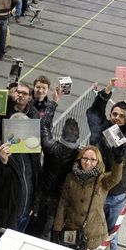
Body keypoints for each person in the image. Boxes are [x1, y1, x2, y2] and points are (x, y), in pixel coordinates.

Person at [86, 77, 126, 250]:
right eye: (114, 114)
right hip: (97, 190)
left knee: (111, 235)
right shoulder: (101, 128)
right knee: (91, 230)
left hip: (117, 195)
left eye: (121, 116)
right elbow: (94, 113)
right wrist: (107, 91)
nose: (117, 118)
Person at [53, 146, 123, 250]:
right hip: (72, 231)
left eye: (93, 159)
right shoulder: (71, 178)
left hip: (95, 234)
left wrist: (118, 162)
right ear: (79, 159)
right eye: (85, 158)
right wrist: (57, 229)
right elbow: (63, 203)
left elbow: (115, 178)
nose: (88, 162)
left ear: (98, 161)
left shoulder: (102, 180)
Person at [33, 89, 80, 240]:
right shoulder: (80, 156)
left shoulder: (51, 147)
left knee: (39, 224)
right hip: (62, 197)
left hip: (44, 191)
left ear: (62, 134)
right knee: (53, 227)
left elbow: (44, 126)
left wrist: (54, 102)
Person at [0, 138, 41, 234]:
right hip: (3, 218)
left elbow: (37, 179)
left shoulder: (31, 149)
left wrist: (35, 205)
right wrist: (2, 163)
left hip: (25, 214)